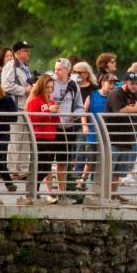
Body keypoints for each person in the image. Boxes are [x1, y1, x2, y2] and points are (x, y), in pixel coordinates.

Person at [105, 72, 137, 203]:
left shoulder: (134, 95)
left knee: (118, 171)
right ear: (125, 82)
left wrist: (135, 108)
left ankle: (113, 194)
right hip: (112, 137)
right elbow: (120, 110)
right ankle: (105, 195)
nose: (135, 86)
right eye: (132, 83)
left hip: (126, 138)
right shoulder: (116, 94)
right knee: (109, 168)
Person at [50, 58, 85, 205]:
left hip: (67, 128)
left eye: (59, 69)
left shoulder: (74, 85)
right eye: (55, 69)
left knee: (63, 162)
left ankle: (61, 192)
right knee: (46, 160)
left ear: (67, 70)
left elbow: (80, 106)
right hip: (51, 127)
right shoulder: (49, 82)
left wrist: (74, 115)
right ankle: (49, 192)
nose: (56, 72)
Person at [25, 74, 61, 204]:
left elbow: (55, 121)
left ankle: (34, 191)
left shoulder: (51, 101)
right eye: (47, 87)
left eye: (52, 87)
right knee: (42, 165)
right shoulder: (35, 100)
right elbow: (32, 118)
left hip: (51, 136)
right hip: (39, 137)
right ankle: (32, 190)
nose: (50, 90)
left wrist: (56, 113)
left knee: (46, 166)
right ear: (41, 86)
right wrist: (48, 112)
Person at [78, 73, 118, 189]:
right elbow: (84, 112)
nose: (112, 86)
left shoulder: (115, 96)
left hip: (108, 134)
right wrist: (84, 125)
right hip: (93, 133)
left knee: (105, 160)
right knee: (90, 160)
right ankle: (82, 181)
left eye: (114, 84)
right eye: (110, 83)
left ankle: (101, 186)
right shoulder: (92, 95)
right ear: (102, 83)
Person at [1, 40, 34, 179]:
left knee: (25, 139)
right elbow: (6, 85)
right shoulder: (11, 65)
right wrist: (24, 89)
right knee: (15, 138)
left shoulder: (25, 66)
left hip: (26, 107)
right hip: (16, 107)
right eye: (26, 50)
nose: (28, 53)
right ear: (18, 53)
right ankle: (13, 169)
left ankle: (22, 169)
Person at [71, 61, 98, 187]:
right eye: (74, 72)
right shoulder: (70, 86)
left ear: (86, 74)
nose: (76, 74)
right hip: (69, 123)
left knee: (81, 152)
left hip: (85, 125)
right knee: (70, 153)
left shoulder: (93, 89)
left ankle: (78, 180)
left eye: (79, 72)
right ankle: (69, 181)